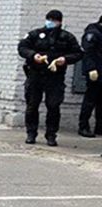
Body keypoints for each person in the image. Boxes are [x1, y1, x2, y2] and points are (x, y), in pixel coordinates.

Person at [18, 9, 82, 146]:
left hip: (55, 77)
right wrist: (33, 55)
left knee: (53, 106)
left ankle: (51, 135)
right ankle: (31, 133)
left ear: (60, 22)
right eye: (49, 19)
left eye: (54, 20)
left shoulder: (66, 37)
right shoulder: (35, 34)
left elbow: (77, 53)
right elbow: (22, 47)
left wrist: (64, 59)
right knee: (32, 105)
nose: (51, 22)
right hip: (35, 74)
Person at [79, 14, 102, 138]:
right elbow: (89, 52)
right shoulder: (93, 33)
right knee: (90, 100)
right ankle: (83, 126)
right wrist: (91, 68)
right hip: (95, 72)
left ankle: (99, 127)